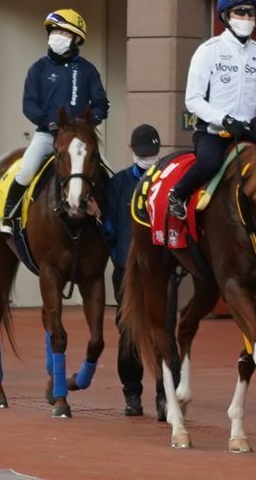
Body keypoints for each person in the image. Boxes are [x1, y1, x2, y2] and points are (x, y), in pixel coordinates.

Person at [167, 0, 256, 219]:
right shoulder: (208, 51)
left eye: (251, 13)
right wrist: (224, 120)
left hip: (249, 130)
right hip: (214, 132)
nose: (247, 18)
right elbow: (193, 99)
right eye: (240, 12)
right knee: (210, 163)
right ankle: (178, 194)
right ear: (226, 16)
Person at [0, 9, 110, 236]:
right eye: (54, 31)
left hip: (81, 139)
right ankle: (8, 217)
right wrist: (48, 123)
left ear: (76, 38)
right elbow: (29, 104)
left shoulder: (88, 70)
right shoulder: (37, 68)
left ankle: (111, 221)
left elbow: (101, 103)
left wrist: (92, 121)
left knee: (108, 172)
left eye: (63, 32)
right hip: (47, 135)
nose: (56, 36)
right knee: (26, 169)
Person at [104, 124, 167, 418]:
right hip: (127, 271)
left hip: (161, 269)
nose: (149, 158)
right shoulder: (118, 184)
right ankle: (132, 394)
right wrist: (119, 259)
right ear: (132, 152)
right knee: (129, 331)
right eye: (144, 154)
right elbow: (110, 226)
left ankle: (164, 394)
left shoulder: (167, 181)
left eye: (153, 153)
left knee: (162, 332)